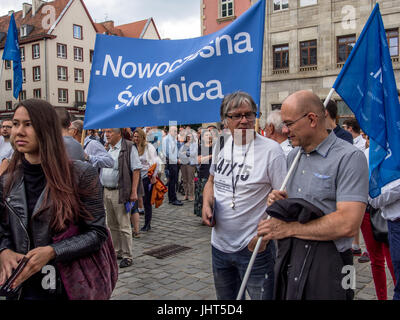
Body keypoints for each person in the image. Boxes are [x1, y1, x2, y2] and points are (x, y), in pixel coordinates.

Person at [257, 90, 369, 300]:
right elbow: (299, 206)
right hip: (294, 256)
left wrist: (289, 229)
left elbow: (348, 224)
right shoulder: (292, 157)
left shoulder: (350, 157)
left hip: (332, 262)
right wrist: (280, 202)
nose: (284, 129)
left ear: (311, 119)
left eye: (289, 123)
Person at [0, 99, 108, 299]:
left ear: (47, 128)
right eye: (15, 124)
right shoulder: (7, 179)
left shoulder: (81, 174)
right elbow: (3, 228)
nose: (19, 131)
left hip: (67, 285)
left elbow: (97, 233)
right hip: (21, 287)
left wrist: (52, 251)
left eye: (28, 124)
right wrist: (4, 250)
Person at [202, 91, 287, 300]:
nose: (244, 121)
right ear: (225, 120)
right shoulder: (221, 143)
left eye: (249, 114)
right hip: (219, 247)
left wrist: (264, 237)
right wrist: (206, 202)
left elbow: (284, 200)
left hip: (254, 249)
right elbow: (211, 181)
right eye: (236, 116)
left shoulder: (271, 150)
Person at [359, 137, 396, 300]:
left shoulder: (394, 151)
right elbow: (366, 190)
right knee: (377, 259)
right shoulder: (365, 155)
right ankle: (382, 296)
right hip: (369, 211)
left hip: (388, 212)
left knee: (391, 260)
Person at [100, 128, 141, 268]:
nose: (107, 134)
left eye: (110, 132)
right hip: (107, 191)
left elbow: (136, 169)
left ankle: (127, 255)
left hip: (121, 191)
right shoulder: (108, 149)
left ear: (118, 134)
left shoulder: (128, 147)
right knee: (111, 224)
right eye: (106, 132)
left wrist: (134, 192)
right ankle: (117, 251)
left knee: (123, 225)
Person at [342, 118, 368, 259]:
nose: (344, 129)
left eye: (345, 127)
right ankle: (355, 245)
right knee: (355, 218)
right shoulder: (350, 142)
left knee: (364, 219)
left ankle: (366, 249)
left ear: (350, 128)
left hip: (362, 181)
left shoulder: (363, 143)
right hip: (353, 181)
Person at [133, 128, 158, 232]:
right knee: (134, 199)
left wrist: (153, 176)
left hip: (146, 177)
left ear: (142, 137)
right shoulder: (133, 147)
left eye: (138, 137)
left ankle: (147, 224)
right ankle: (133, 223)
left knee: (147, 201)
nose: (136, 139)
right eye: (134, 136)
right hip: (135, 177)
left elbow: (155, 162)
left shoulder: (149, 147)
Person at [194, 130, 214, 217]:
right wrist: (211, 156)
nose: (207, 137)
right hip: (202, 174)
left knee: (211, 196)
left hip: (212, 175)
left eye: (209, 135)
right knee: (201, 196)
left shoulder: (215, 147)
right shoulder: (200, 147)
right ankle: (203, 214)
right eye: (205, 135)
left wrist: (204, 157)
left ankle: (211, 214)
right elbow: (198, 160)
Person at [161, 126, 183, 206]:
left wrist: (178, 158)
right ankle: (173, 199)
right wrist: (176, 160)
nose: (176, 133)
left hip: (174, 162)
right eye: (174, 131)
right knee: (172, 181)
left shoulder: (173, 139)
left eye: (176, 131)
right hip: (171, 162)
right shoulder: (167, 139)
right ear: (170, 131)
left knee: (173, 181)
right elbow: (168, 152)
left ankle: (172, 198)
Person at [179, 133, 197, 201]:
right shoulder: (183, 145)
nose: (188, 138)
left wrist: (186, 153)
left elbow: (194, 153)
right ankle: (186, 194)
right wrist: (186, 154)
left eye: (190, 137)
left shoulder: (195, 145)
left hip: (190, 164)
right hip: (183, 164)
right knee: (185, 180)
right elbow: (180, 153)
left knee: (191, 180)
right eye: (187, 137)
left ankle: (191, 195)